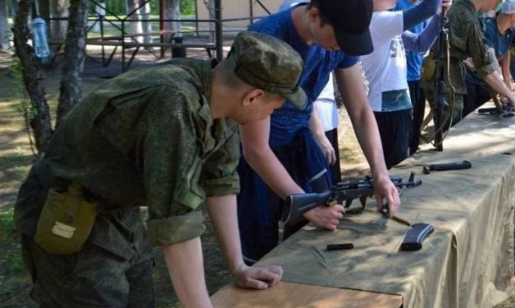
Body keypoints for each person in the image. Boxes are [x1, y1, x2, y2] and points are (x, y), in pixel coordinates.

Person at [14, 31, 304, 308]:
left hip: (116, 208)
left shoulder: (219, 97)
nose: (274, 112)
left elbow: (221, 182)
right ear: (252, 96)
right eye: (276, 104)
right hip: (66, 209)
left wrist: (238, 266)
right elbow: (176, 223)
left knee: (139, 298)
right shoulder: (173, 104)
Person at [237, 0, 401, 264]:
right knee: (259, 250)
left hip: (298, 141)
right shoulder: (267, 41)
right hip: (256, 154)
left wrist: (380, 172)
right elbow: (254, 148)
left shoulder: (340, 34)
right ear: (315, 16)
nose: (340, 48)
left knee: (312, 243)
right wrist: (304, 206)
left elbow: (361, 110)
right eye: (338, 40)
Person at [359, 0, 456, 167]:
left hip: (396, 104)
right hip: (385, 108)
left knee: (400, 162)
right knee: (395, 166)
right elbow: (426, 8)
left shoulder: (386, 21)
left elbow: (421, 44)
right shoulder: (377, 20)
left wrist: (441, 14)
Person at [278, 0, 349, 183]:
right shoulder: (296, 13)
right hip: (304, 125)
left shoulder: (320, 10)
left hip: (322, 115)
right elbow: (296, 85)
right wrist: (317, 132)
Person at [422, 0, 515, 132]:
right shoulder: (470, 20)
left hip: (438, 71)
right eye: (497, 1)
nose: (496, 7)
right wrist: (511, 97)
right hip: (446, 77)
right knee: (450, 129)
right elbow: (486, 68)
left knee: (445, 126)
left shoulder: (459, 7)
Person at [394, 0, 436, 155]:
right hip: (400, 76)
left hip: (418, 74)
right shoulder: (397, 5)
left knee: (416, 124)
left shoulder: (424, 9)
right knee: (403, 127)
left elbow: (425, 39)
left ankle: (412, 154)